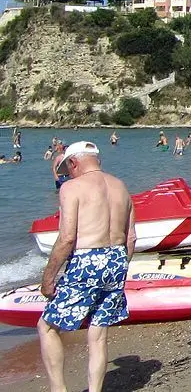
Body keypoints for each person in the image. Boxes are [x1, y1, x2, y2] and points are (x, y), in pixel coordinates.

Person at [38, 141, 136, 392]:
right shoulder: (121, 186)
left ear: (74, 163)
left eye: (67, 170)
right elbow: (131, 238)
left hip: (88, 260)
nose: (67, 176)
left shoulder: (72, 187)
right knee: (98, 332)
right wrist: (119, 268)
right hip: (117, 258)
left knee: (47, 327)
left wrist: (48, 278)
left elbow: (67, 238)